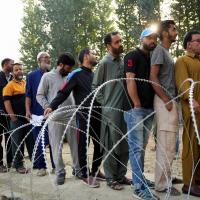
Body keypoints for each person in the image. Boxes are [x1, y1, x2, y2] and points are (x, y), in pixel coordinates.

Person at [44, 48, 104, 187]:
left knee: (101, 145)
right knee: (82, 144)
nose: (96, 55)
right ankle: (84, 174)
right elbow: (63, 92)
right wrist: (52, 105)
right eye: (93, 53)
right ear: (86, 56)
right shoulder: (76, 74)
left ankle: (95, 171)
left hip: (97, 114)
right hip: (83, 116)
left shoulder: (95, 74)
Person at [124, 28, 159, 199]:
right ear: (142, 39)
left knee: (141, 147)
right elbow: (130, 79)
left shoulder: (151, 58)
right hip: (135, 109)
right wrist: (136, 104)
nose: (153, 40)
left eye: (155, 38)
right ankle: (138, 187)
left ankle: (140, 178)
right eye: (150, 38)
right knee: (136, 148)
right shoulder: (132, 56)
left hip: (149, 108)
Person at [92, 32, 130, 190]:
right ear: (108, 46)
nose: (120, 43)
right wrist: (106, 104)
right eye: (116, 42)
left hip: (125, 110)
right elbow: (95, 87)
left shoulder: (123, 61)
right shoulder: (105, 63)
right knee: (111, 144)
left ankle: (121, 176)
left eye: (121, 40)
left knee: (125, 144)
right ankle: (111, 178)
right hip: (111, 112)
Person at [36, 53, 80, 184]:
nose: (69, 70)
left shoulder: (70, 76)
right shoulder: (47, 76)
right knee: (56, 146)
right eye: (67, 67)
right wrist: (48, 107)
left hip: (71, 114)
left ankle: (78, 170)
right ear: (60, 65)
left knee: (75, 144)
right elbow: (39, 95)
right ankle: (60, 172)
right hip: (55, 116)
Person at [150, 20, 180, 196]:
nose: (176, 32)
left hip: (169, 101)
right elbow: (153, 77)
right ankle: (161, 185)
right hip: (164, 102)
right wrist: (166, 99)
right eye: (173, 29)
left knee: (170, 144)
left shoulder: (167, 53)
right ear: (164, 33)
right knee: (166, 143)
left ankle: (167, 178)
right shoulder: (159, 51)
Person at [175, 30, 200, 197]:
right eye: (197, 41)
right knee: (191, 147)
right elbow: (183, 85)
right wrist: (193, 102)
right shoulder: (182, 61)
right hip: (193, 110)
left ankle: (198, 180)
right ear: (188, 44)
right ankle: (188, 183)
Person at [25, 52, 54, 176]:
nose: (47, 60)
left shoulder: (54, 74)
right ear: (38, 61)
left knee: (54, 140)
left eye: (49, 58)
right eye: (45, 58)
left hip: (52, 113)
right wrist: (27, 110)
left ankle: (56, 166)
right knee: (39, 140)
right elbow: (28, 95)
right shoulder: (31, 76)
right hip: (36, 113)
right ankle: (42, 166)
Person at [3, 63, 34, 174]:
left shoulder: (25, 83)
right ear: (12, 72)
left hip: (27, 118)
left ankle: (35, 163)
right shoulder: (9, 86)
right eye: (16, 70)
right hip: (17, 119)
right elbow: (6, 102)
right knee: (17, 143)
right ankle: (18, 165)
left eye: (20, 69)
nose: (19, 71)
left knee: (31, 141)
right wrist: (12, 116)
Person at [0, 58, 14, 172]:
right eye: (11, 64)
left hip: (10, 113)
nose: (13, 65)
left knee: (10, 137)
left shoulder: (13, 78)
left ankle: (10, 161)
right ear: (5, 65)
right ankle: (0, 164)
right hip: (0, 113)